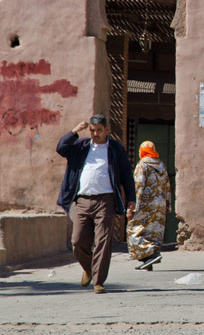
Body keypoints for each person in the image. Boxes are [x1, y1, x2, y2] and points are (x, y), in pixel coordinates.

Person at [56, 114, 136, 294]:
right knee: (77, 241)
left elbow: (126, 175)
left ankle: (98, 281)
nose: (95, 134)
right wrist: (75, 131)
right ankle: (89, 268)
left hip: (106, 201)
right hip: (82, 200)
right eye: (92, 130)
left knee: (103, 241)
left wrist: (131, 198)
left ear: (107, 130)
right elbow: (61, 148)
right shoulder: (81, 146)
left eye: (99, 130)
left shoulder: (115, 149)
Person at [127, 140, 171, 271]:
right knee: (153, 232)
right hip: (159, 205)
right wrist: (167, 204)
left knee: (134, 230)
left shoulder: (142, 165)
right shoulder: (161, 165)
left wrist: (133, 206)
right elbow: (167, 186)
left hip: (145, 204)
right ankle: (148, 260)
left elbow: (138, 186)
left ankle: (151, 254)